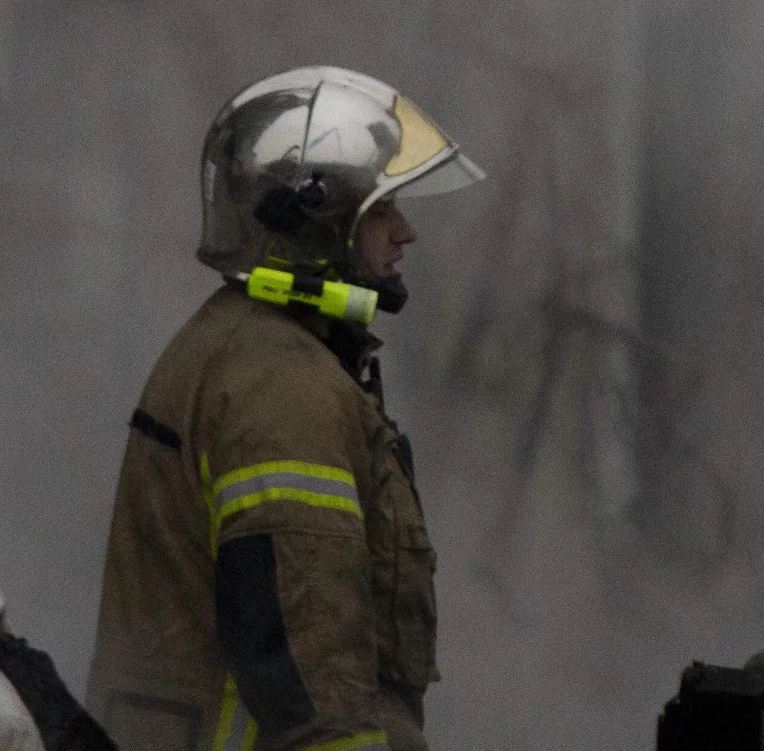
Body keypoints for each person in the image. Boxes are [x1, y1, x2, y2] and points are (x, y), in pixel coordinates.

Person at [88, 68, 483, 751]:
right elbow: (309, 670)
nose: (406, 233)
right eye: (384, 210)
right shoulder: (282, 386)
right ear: (317, 221)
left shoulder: (246, 346)